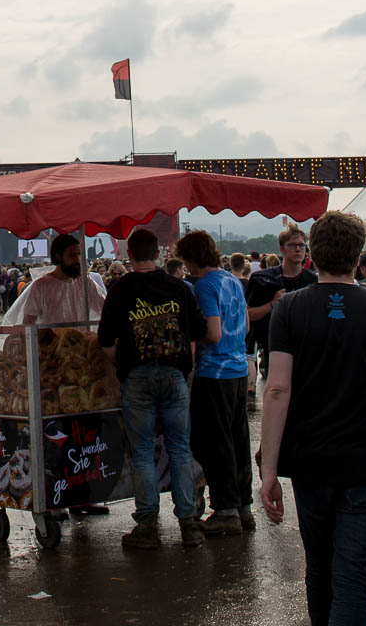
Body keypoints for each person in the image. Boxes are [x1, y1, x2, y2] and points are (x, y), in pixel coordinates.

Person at [259, 211, 366, 626]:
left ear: (312, 255)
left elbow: (277, 388)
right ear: (357, 256)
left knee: (319, 569)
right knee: (354, 580)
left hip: (311, 462)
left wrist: (268, 469)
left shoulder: (289, 308)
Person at [98, 228, 207, 549]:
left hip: (137, 377)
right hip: (174, 375)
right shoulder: (179, 287)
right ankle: (189, 524)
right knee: (180, 448)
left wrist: (122, 362)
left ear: (129, 255)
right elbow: (198, 331)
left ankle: (147, 526)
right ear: (158, 254)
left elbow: (105, 341)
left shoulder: (120, 289)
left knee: (143, 451)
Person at [177, 230, 254, 535]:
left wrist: (188, 332)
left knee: (213, 443)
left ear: (192, 258)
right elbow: (245, 326)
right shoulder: (232, 280)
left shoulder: (205, 286)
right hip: (238, 369)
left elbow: (213, 332)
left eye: (186, 259)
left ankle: (225, 510)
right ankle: (243, 505)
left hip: (214, 372)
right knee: (238, 440)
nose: (185, 266)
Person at [245, 224, 315, 379]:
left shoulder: (312, 280)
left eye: (301, 245)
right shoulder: (263, 279)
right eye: (292, 245)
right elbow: (248, 315)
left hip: (306, 349)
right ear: (282, 249)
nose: (298, 249)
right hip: (274, 347)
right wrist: (272, 304)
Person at [4, 234, 107, 328]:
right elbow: (28, 322)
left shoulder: (85, 282)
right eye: (72, 255)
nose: (77, 259)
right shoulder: (40, 285)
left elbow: (104, 308)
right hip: (53, 342)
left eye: (79, 254)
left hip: (81, 341)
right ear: (58, 256)